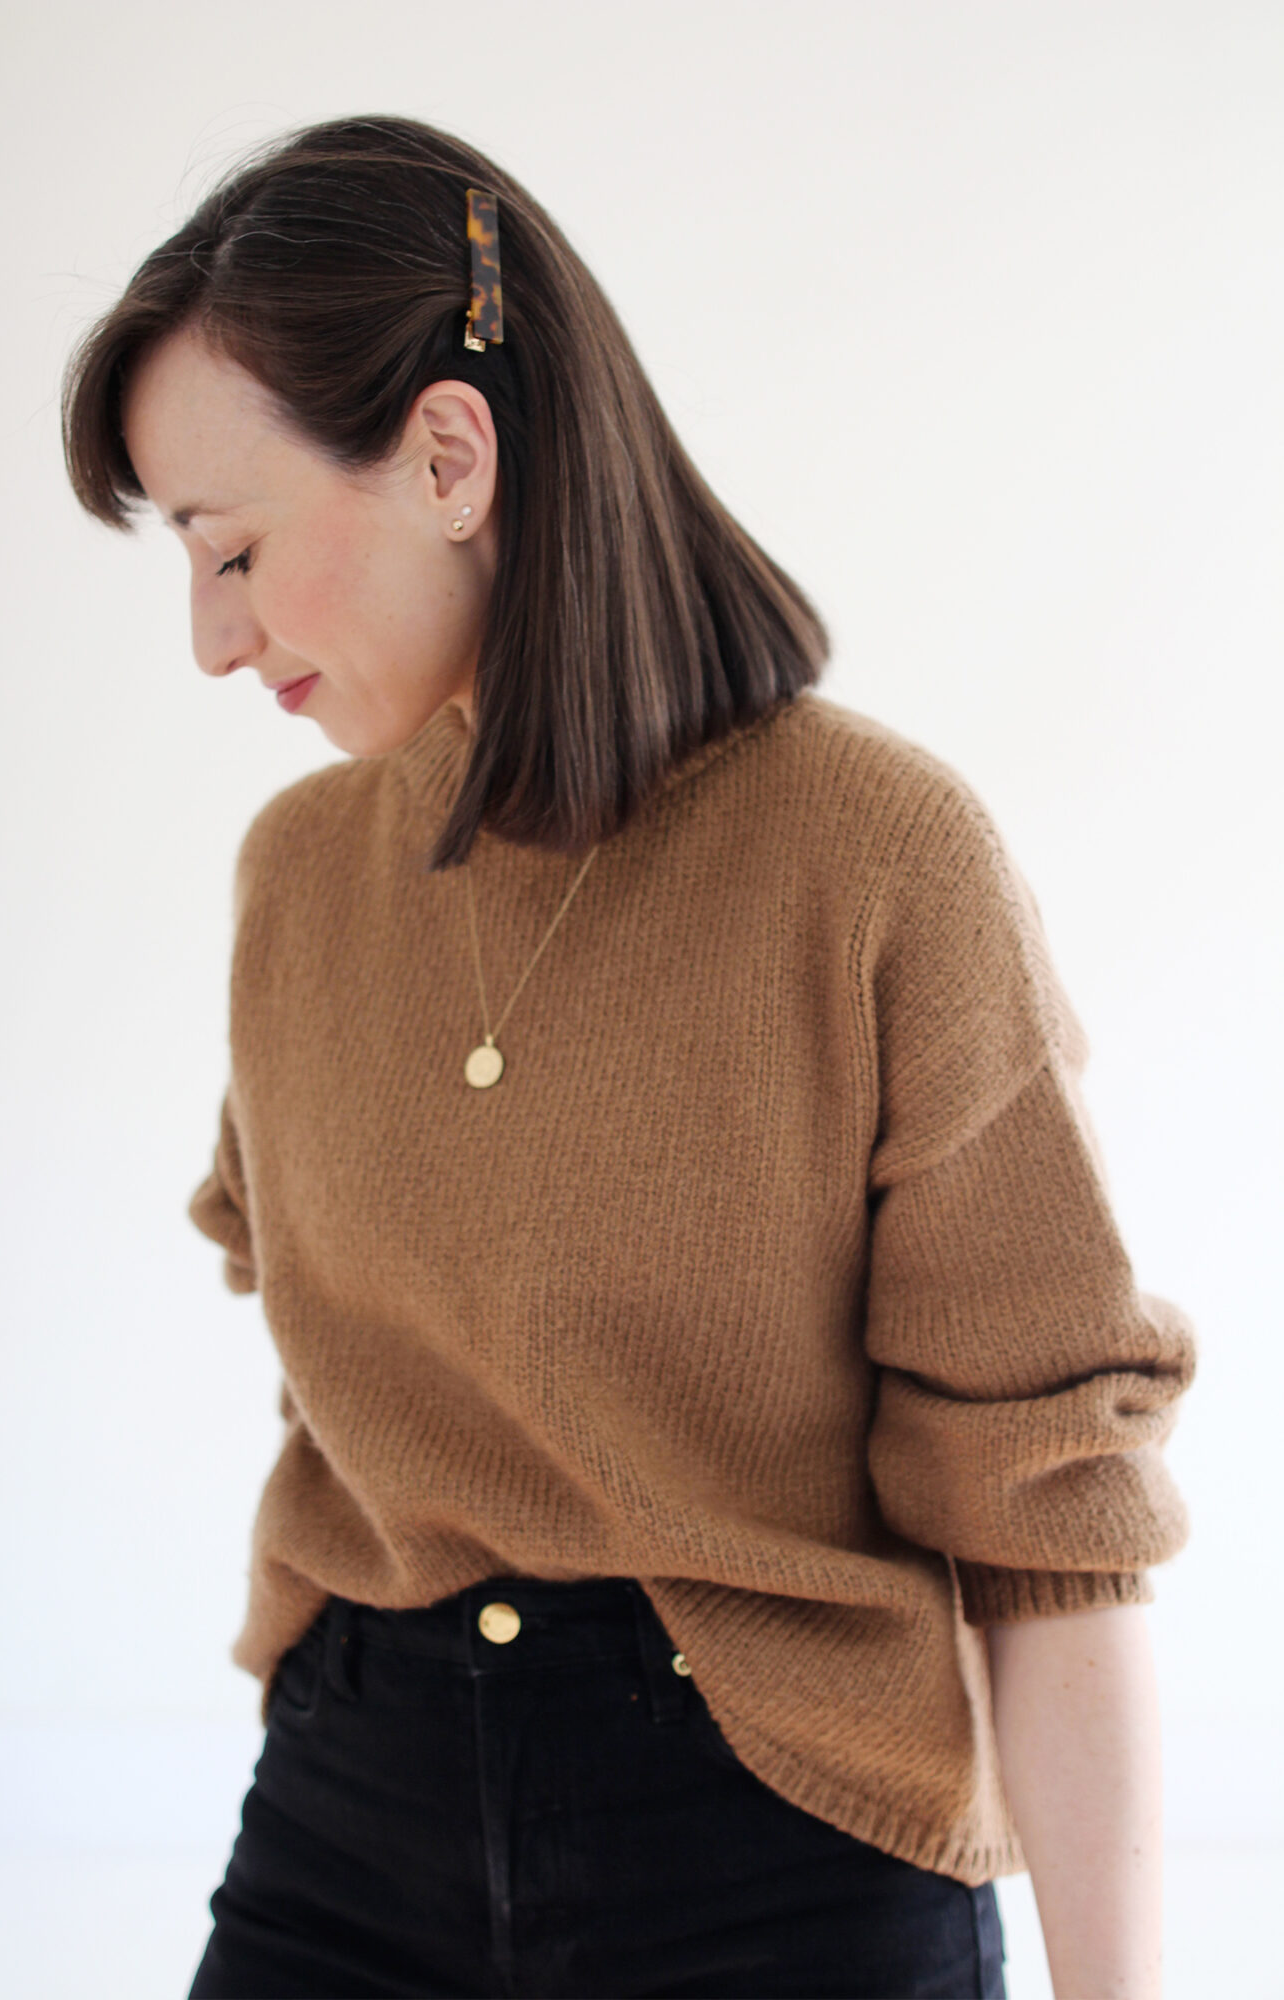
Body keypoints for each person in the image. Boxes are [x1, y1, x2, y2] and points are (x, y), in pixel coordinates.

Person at [60, 114, 1196, 2000]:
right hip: (355, 1807)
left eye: (232, 547)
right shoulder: (301, 878)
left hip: (783, 1837)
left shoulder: (872, 858)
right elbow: (341, 1393)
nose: (211, 637)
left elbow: (1048, 1520)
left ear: (447, 453)